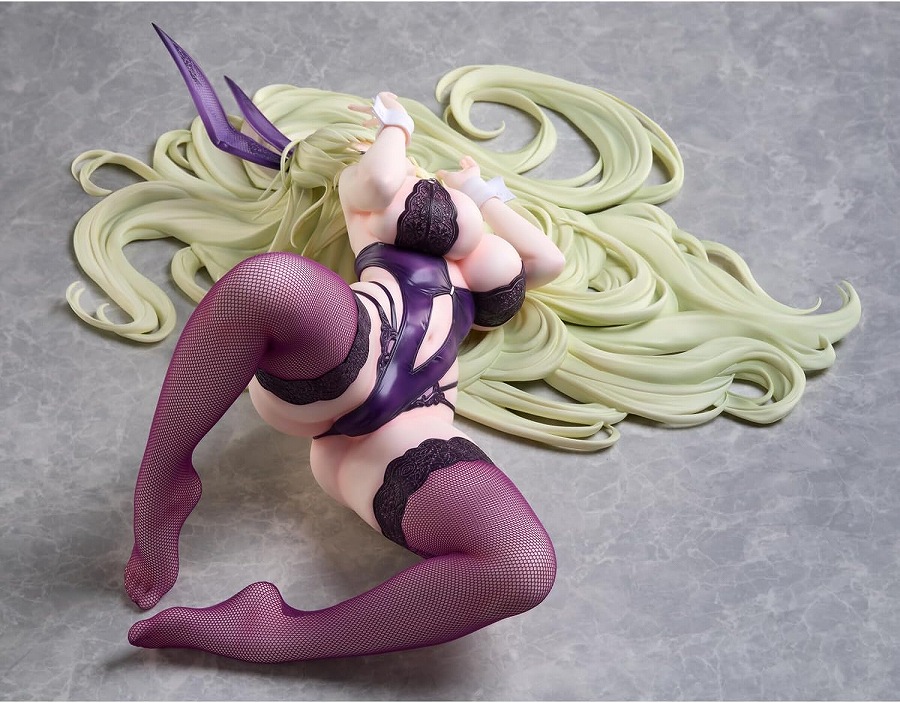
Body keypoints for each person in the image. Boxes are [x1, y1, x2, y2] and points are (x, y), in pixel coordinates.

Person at [67, 27, 861, 664]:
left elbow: (543, 265)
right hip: (353, 353)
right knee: (269, 282)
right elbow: (382, 181)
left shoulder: (476, 230)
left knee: (521, 564)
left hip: (399, 435)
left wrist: (488, 196)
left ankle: (280, 633)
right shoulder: (370, 193)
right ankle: (162, 482)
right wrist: (391, 128)